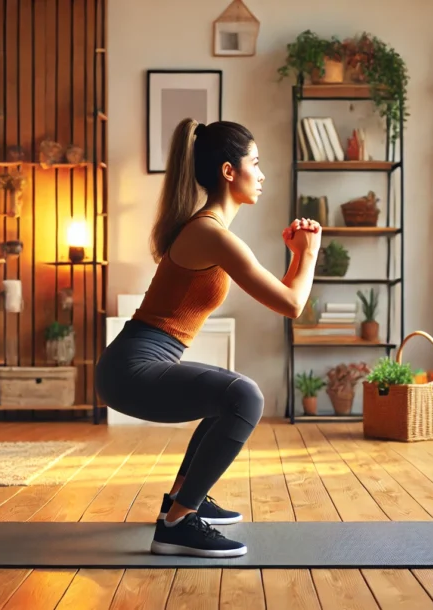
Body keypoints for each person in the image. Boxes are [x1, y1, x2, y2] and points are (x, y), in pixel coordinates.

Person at [95, 118, 321, 558]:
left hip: (131, 366)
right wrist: (309, 253)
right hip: (130, 371)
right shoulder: (211, 235)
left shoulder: (209, 231)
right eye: (255, 163)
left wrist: (298, 257)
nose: (262, 174)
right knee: (246, 397)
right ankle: (178, 524)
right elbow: (293, 304)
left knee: (229, 396)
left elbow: (284, 295)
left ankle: (180, 500)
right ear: (229, 171)